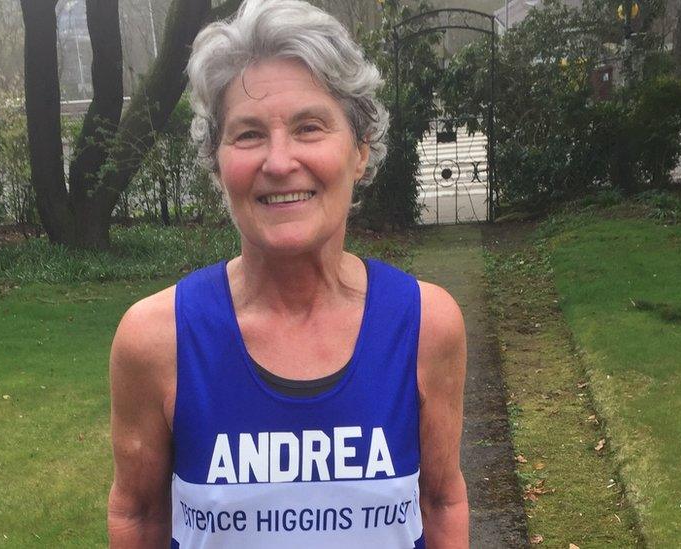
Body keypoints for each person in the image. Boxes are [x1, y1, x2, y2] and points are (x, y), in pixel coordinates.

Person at [107, 1, 468, 547]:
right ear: (217, 160)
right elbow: (137, 514)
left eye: (309, 127)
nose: (279, 162)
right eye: (248, 134)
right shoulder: (157, 340)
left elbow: (442, 501)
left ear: (360, 150)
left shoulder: (425, 325)